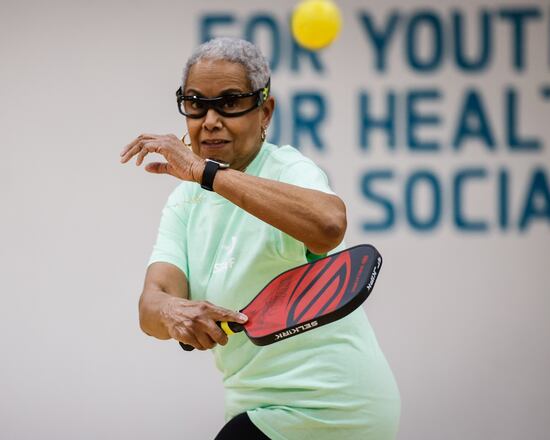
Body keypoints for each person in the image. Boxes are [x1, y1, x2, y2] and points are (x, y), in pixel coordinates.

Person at [119, 38, 400, 440]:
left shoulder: (287, 169)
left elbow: (329, 225)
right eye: (196, 103)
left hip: (333, 404)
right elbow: (151, 304)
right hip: (256, 406)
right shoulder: (184, 202)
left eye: (230, 102)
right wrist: (172, 312)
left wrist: (206, 173)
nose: (210, 120)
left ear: (265, 111)